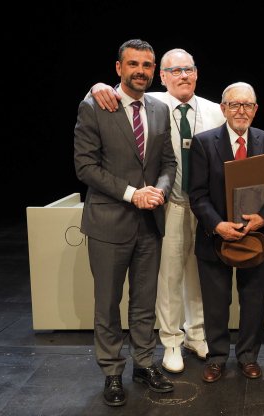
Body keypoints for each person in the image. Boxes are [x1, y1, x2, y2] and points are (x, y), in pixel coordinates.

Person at [89, 48, 226, 373]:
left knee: (201, 275)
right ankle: (172, 341)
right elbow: (107, 94)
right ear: (161, 77)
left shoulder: (214, 111)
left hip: (206, 209)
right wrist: (95, 86)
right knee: (168, 278)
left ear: (196, 73)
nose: (183, 75)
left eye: (188, 69)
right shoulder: (152, 103)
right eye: (174, 70)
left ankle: (196, 334)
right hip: (170, 206)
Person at [74, 39, 176, 407]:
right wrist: (134, 193)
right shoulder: (95, 106)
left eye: (147, 65)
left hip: (150, 223)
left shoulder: (160, 109)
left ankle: (144, 363)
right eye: (133, 64)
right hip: (109, 223)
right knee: (108, 303)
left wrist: (160, 191)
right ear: (118, 68)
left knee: (145, 302)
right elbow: (85, 167)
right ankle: (112, 371)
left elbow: (168, 164)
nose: (140, 71)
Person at [189, 82, 264, 383]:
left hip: (257, 236)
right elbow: (197, 194)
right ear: (223, 109)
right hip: (215, 237)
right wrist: (218, 225)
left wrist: (263, 218)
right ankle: (217, 357)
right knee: (217, 303)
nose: (241, 110)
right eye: (234, 105)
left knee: (253, 300)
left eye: (247, 105)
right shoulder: (204, 143)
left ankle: (247, 356)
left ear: (255, 110)